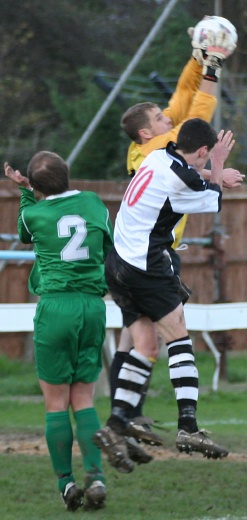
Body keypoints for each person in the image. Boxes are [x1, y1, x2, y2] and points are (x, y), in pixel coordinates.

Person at [109, 14, 244, 449]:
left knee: (141, 341)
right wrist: (211, 67)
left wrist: (196, 61)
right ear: (148, 130)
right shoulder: (158, 152)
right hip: (147, 259)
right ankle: (185, 426)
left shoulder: (156, 149)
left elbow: (181, 100)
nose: (168, 117)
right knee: (169, 338)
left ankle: (120, 421)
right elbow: (198, 110)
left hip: (127, 258)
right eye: (159, 117)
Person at [93, 118, 237, 473]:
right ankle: (188, 427)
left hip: (118, 264)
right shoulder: (180, 177)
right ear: (201, 150)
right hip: (146, 266)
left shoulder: (159, 156)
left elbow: (189, 174)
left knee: (145, 347)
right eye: (205, 157)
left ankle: (114, 425)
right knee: (179, 340)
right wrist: (218, 168)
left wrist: (211, 170)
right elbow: (212, 200)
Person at [4, 152, 113, 511]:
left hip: (56, 306)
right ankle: (96, 477)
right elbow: (107, 244)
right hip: (93, 306)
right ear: (68, 175)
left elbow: (23, 229)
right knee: (83, 399)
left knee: (55, 402)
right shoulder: (94, 202)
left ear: (35, 186)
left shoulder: (34, 212)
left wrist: (24, 192)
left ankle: (66, 484)